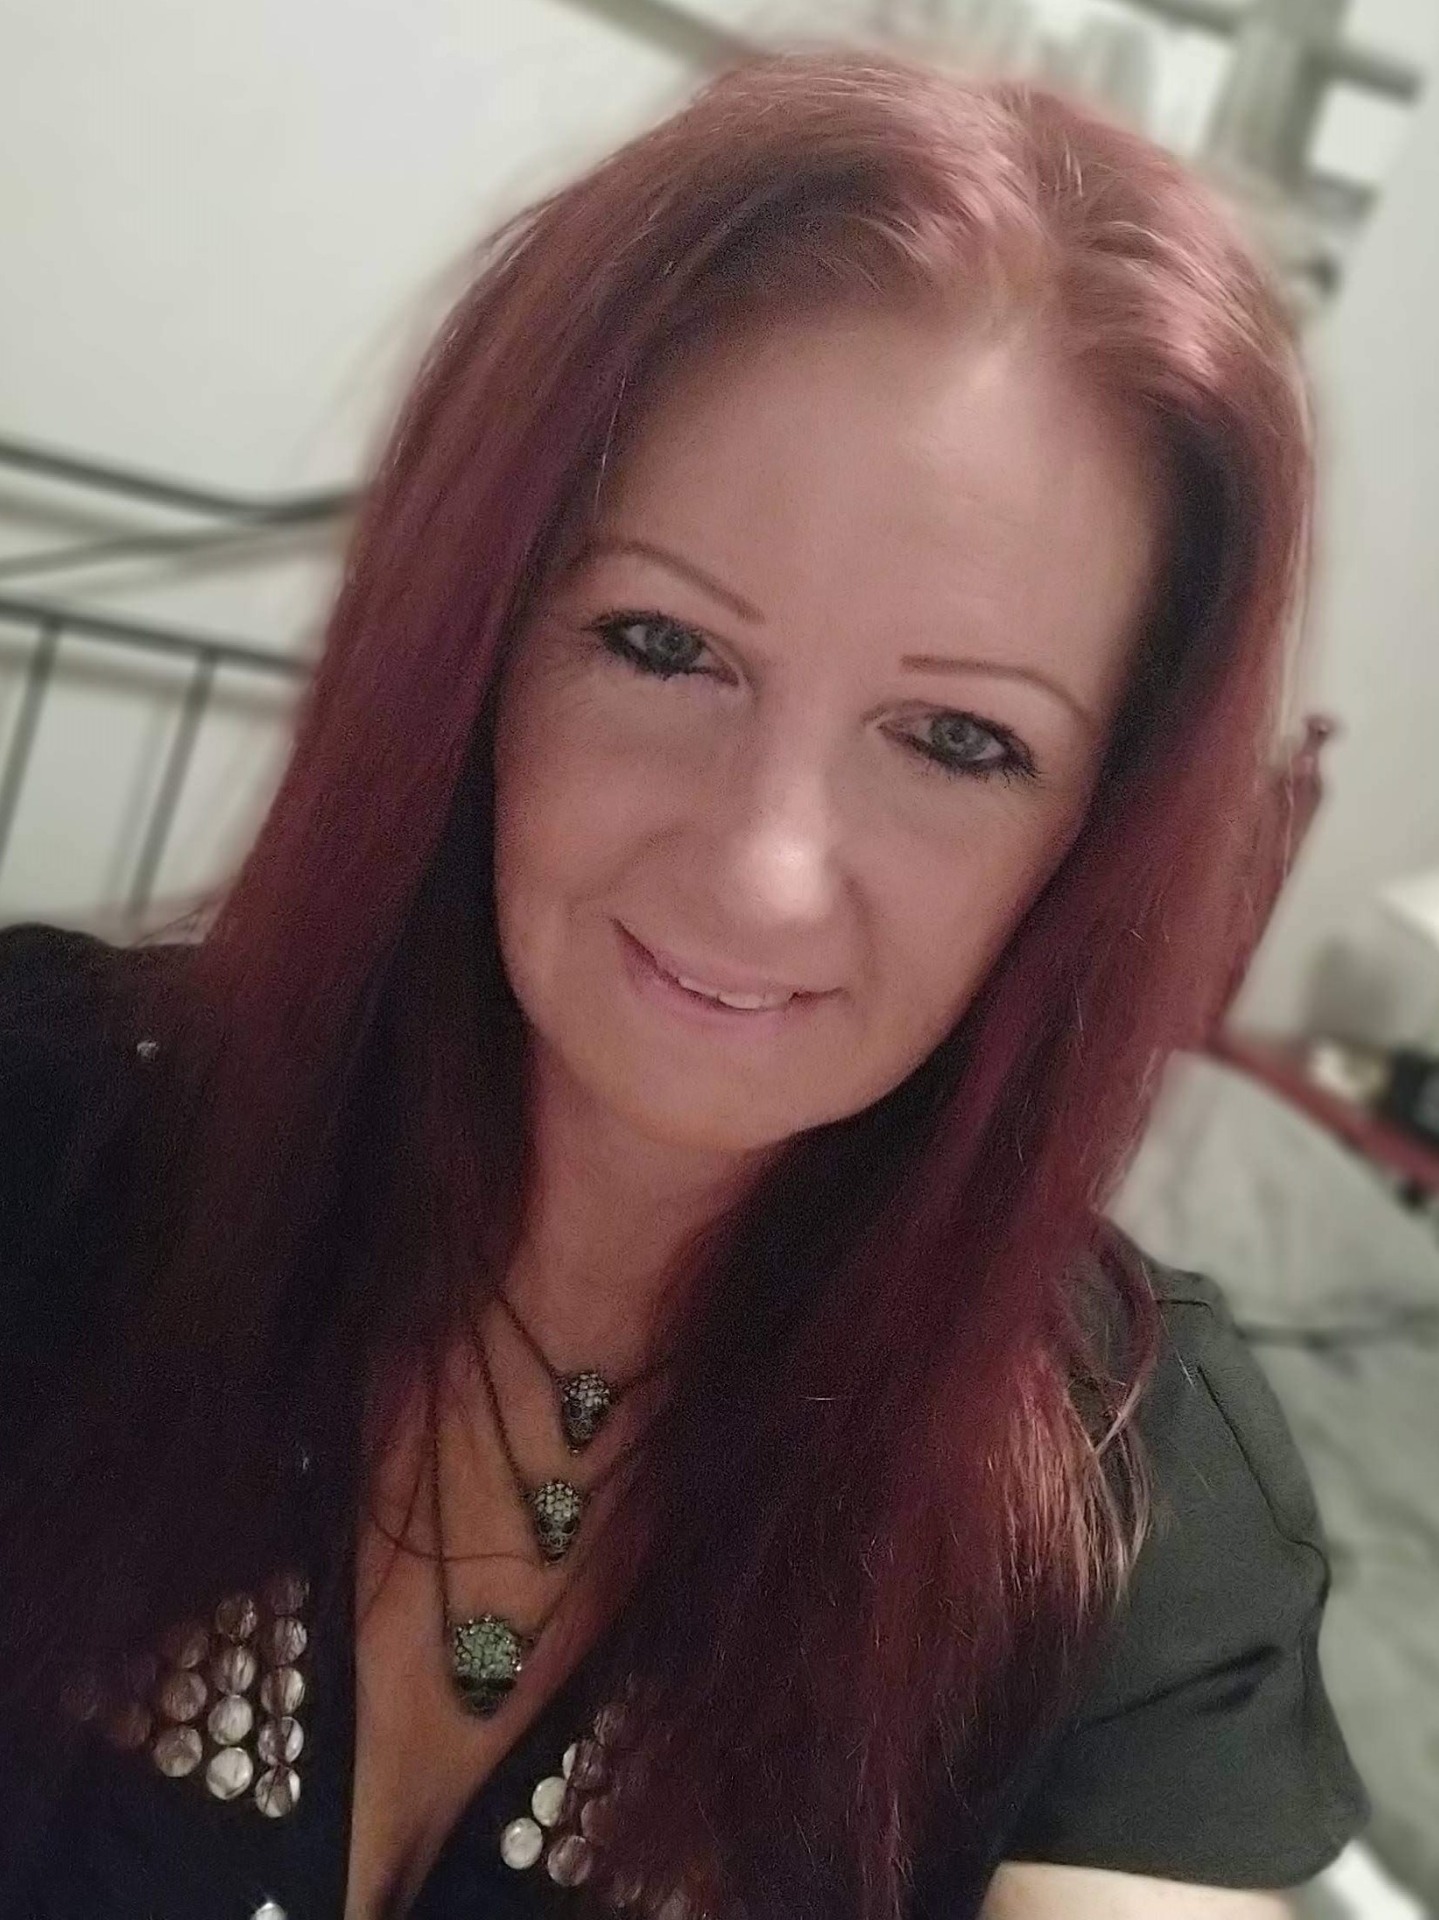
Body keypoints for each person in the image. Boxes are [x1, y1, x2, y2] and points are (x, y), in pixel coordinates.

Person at [0, 48, 1368, 1920]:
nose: (762, 871)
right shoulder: (53, 1146)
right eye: (662, 644)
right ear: (477, 644)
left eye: (959, 741)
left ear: (1092, 834)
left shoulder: (1125, 1497)